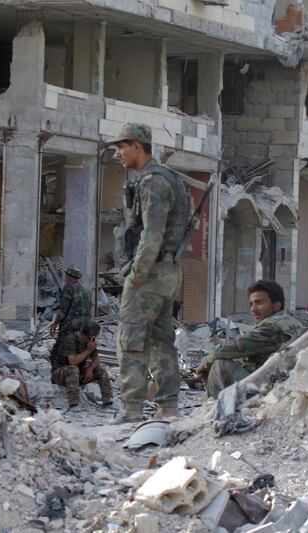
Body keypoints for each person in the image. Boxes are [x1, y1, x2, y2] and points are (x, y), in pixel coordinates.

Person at [106, 123, 191, 422]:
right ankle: (167, 407)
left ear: (137, 146)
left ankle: (131, 409)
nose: (117, 154)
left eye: (121, 147)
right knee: (160, 339)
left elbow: (151, 234)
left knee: (130, 338)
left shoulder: (153, 181)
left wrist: (137, 274)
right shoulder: (170, 178)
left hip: (151, 272)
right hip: (169, 271)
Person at [197, 280, 304, 397]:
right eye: (251, 304)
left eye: (259, 303)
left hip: (271, 390)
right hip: (279, 382)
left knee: (220, 365)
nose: (253, 309)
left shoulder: (272, 328)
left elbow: (238, 347)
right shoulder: (288, 321)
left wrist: (206, 361)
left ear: (276, 305)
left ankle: (213, 409)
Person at [51, 320, 113, 412]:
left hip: (77, 373)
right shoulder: (70, 339)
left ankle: (107, 401)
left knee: (101, 370)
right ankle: (74, 404)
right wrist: (88, 350)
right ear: (89, 335)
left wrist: (90, 369)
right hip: (60, 373)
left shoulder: (90, 342)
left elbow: (96, 361)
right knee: (73, 369)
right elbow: (72, 361)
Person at [49, 265, 90, 362]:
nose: (65, 277)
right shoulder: (85, 291)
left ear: (70, 276)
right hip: (82, 328)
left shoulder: (69, 289)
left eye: (66, 275)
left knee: (59, 354)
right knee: (78, 351)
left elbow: (63, 311)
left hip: (69, 328)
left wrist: (54, 324)